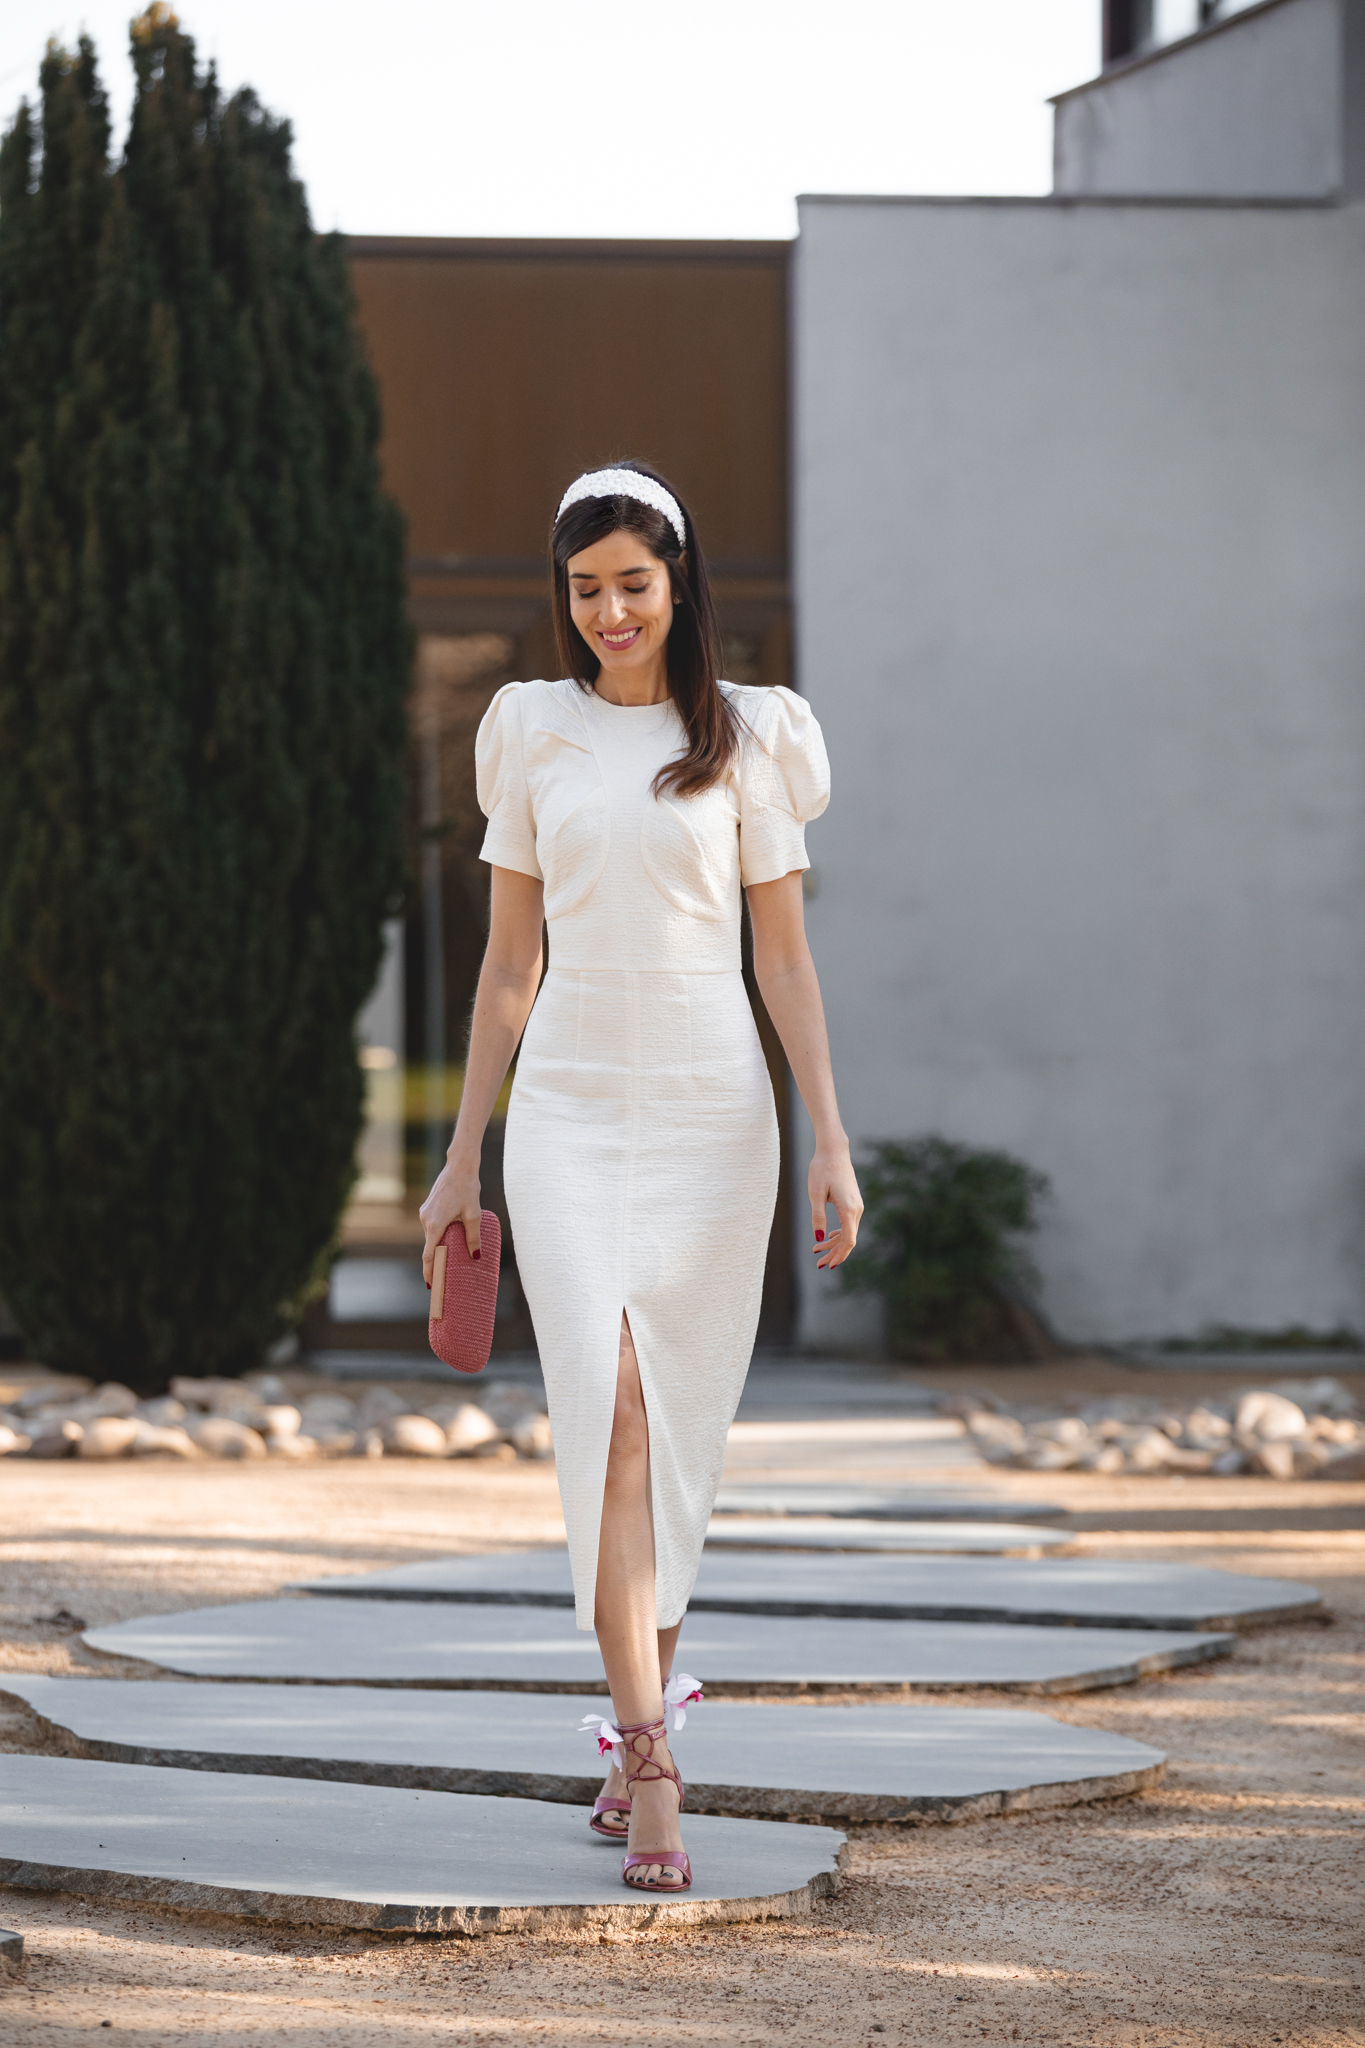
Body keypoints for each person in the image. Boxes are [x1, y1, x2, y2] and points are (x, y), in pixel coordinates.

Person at [420, 460, 861, 1893]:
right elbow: (504, 966)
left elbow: (782, 958)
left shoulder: (749, 741)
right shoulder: (528, 732)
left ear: (679, 588)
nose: (609, 610)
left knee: (676, 1434)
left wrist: (832, 1139)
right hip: (563, 1111)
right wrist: (459, 1156)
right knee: (604, 1418)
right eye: (585, 586)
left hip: (710, 1114)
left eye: (633, 582)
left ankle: (630, 1729)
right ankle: (651, 1749)